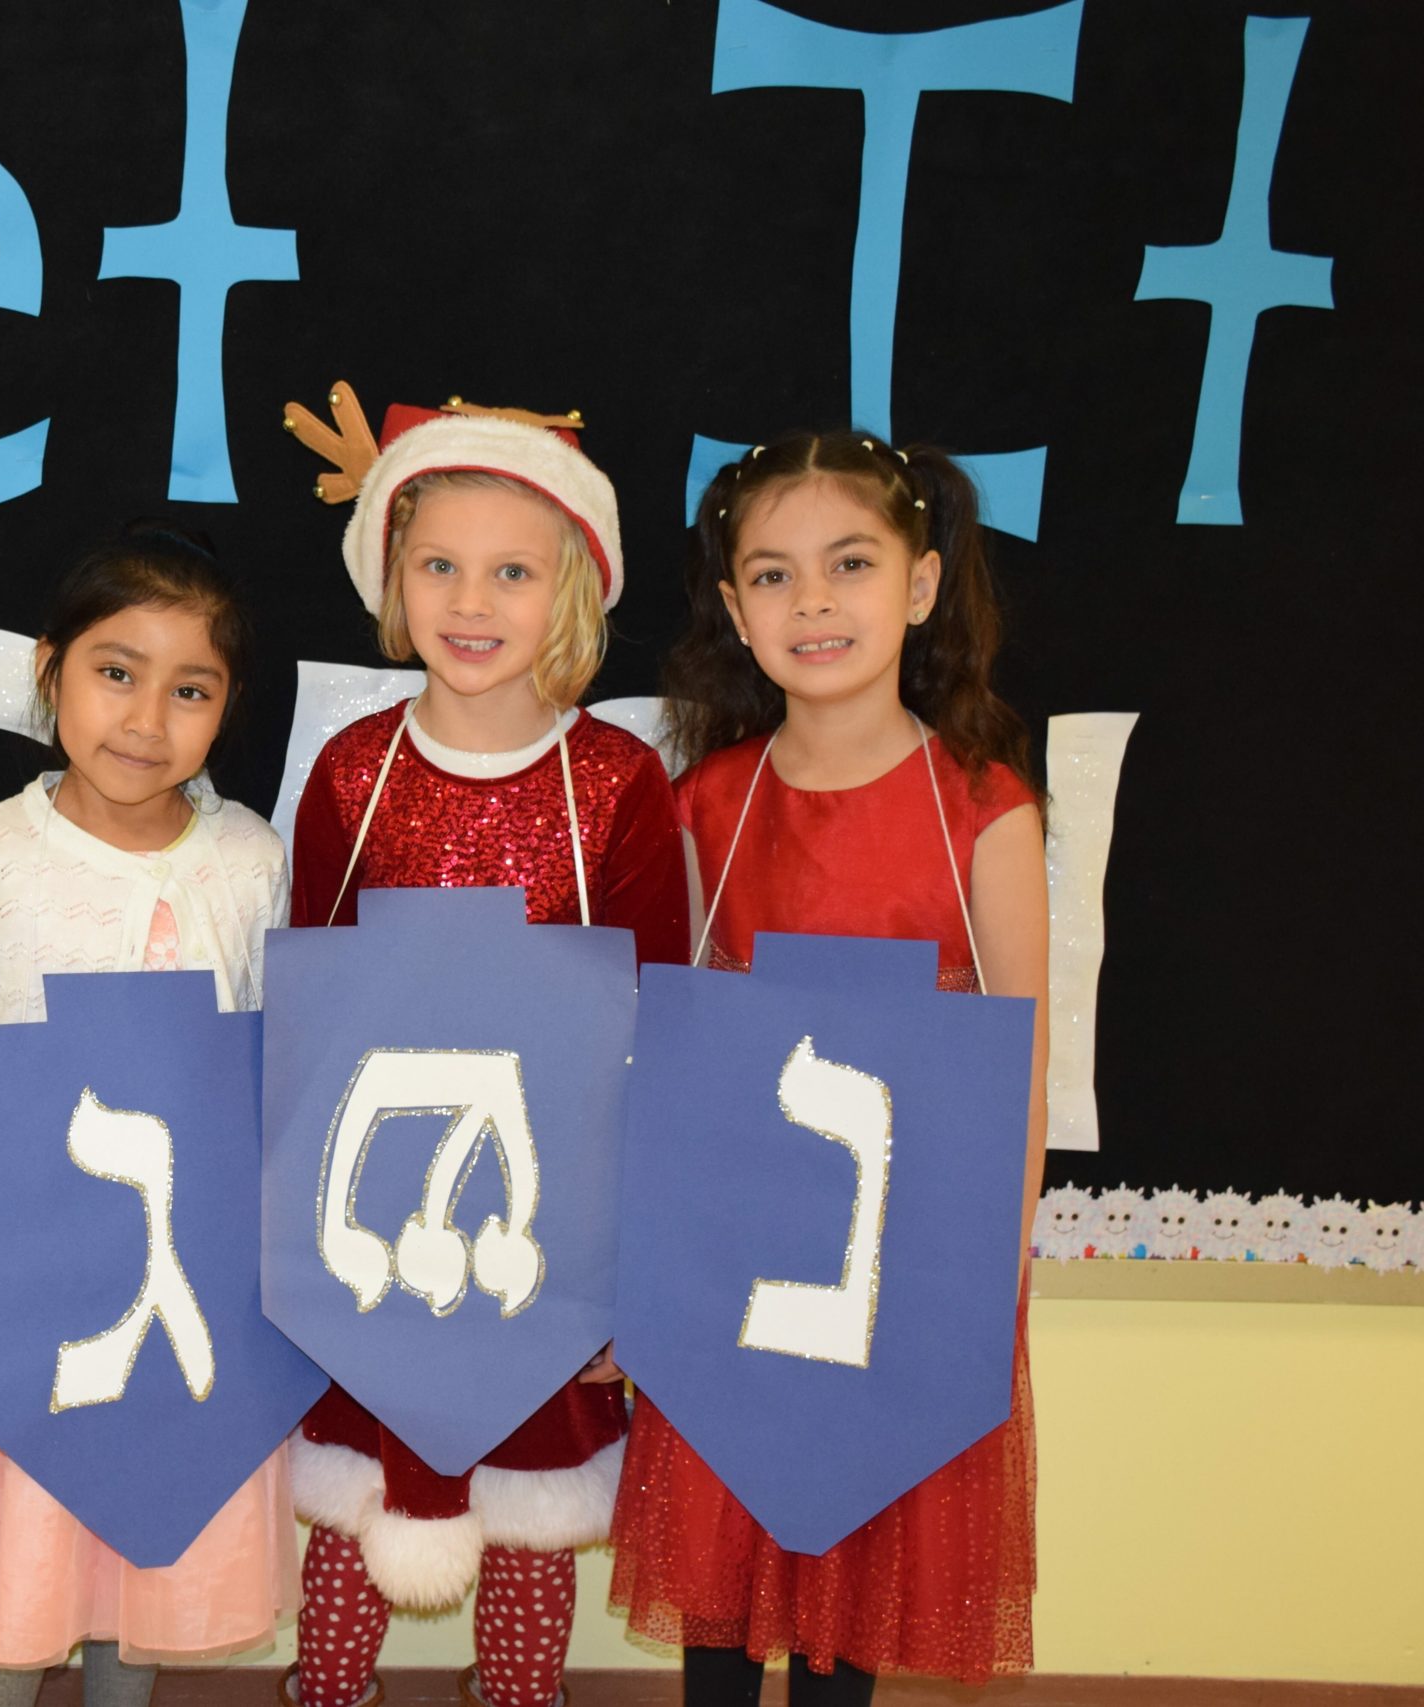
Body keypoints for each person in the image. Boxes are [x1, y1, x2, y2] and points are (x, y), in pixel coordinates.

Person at [608, 431, 1050, 1704]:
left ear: (916, 586)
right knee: (721, 1560)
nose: (812, 602)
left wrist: (992, 1276)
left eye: (848, 564)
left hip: (902, 1268)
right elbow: (669, 1055)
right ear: (734, 612)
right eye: (771, 574)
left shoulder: (985, 809)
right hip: (733, 1263)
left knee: (858, 1557)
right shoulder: (705, 806)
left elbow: (1014, 1068)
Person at [0, 525, 296, 1707]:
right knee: (20, 1568)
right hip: (16, 1282)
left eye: (188, 689)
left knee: (145, 1549)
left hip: (182, 1293)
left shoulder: (249, 861)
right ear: (50, 671)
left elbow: (271, 1080)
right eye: (114, 672)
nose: (145, 719)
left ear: (226, 706)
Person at [278, 391, 688, 1707]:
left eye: (512, 569)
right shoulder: (349, 768)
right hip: (372, 1217)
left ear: (570, 587)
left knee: (532, 1505)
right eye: (439, 562)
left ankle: (520, 1693)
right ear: (393, 577)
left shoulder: (623, 780)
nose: (472, 598)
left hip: (547, 1227)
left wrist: (624, 1272)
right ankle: (326, 1690)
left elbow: (661, 1026)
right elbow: (308, 1012)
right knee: (354, 1503)